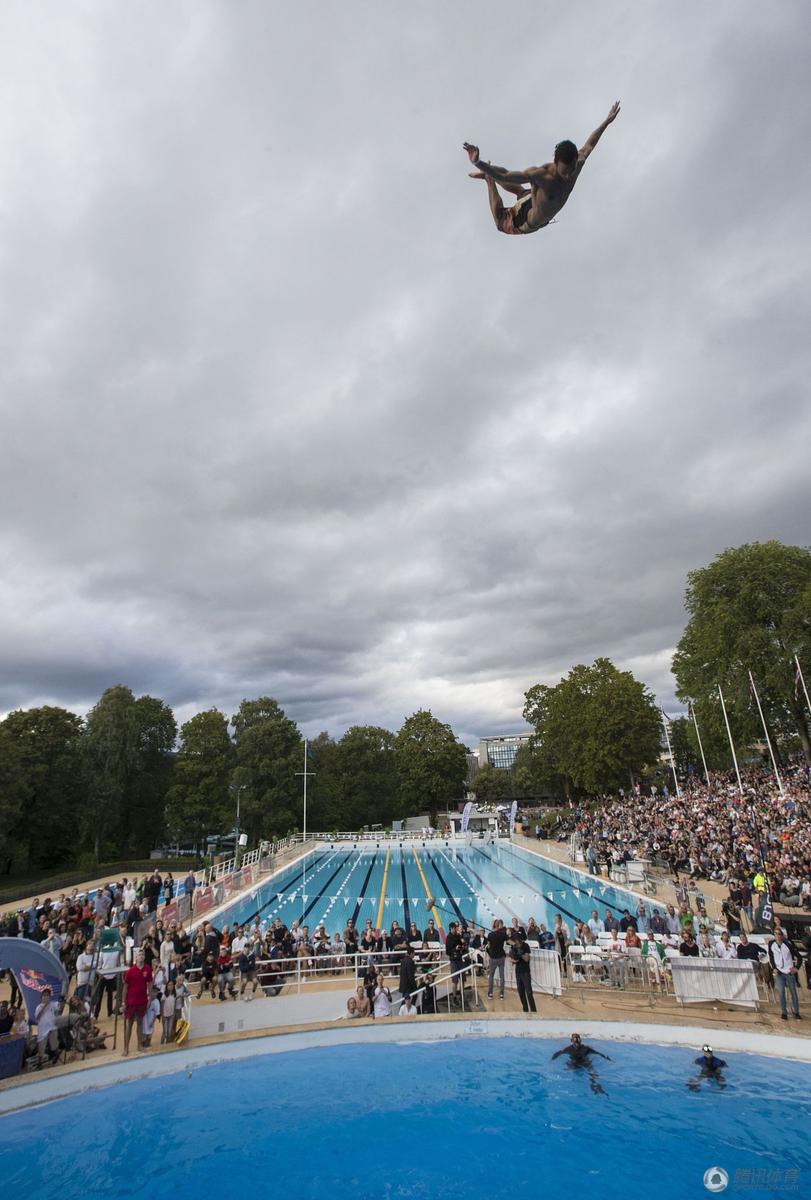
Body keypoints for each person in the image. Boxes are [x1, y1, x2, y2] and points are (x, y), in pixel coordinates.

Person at [463, 101, 620, 236]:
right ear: (555, 162)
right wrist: (478, 163)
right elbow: (505, 175)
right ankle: (489, 178)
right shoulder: (542, 175)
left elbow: (589, 145)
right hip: (528, 220)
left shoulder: (578, 162)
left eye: (572, 169)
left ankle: (495, 177)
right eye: (564, 171)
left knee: (522, 192)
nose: (569, 175)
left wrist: (606, 122)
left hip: (537, 200)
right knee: (499, 221)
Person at [122, 949, 153, 1056]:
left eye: (142, 955)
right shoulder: (130, 971)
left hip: (142, 1000)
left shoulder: (147, 969)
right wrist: (123, 1002)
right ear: (136, 957)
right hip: (131, 1001)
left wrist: (149, 996)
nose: (141, 956)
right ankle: (126, 1048)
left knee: (140, 1023)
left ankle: (139, 1045)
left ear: (144, 957)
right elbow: (125, 987)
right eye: (139, 955)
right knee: (129, 1024)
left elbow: (150, 982)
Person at [769, 929, 801, 1021]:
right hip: (779, 972)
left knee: (793, 993)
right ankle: (784, 1012)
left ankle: (796, 1012)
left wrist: (796, 968)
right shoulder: (771, 945)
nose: (778, 936)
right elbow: (771, 957)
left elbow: (799, 957)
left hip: (789, 971)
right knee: (781, 992)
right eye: (776, 934)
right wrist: (774, 968)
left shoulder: (787, 945)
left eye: (779, 934)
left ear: (782, 936)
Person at [511, 933, 536, 1013]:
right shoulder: (513, 946)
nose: (515, 942)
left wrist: (520, 953)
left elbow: (527, 959)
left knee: (529, 992)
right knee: (521, 992)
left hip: (525, 972)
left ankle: (533, 1010)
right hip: (518, 972)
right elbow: (513, 960)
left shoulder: (526, 946)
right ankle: (525, 1010)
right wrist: (514, 959)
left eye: (515, 940)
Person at [486, 919, 508, 1001]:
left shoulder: (490, 935)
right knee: (502, 977)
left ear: (493, 925)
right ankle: (501, 994)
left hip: (493, 958)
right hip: (501, 957)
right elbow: (508, 940)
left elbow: (488, 946)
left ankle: (490, 993)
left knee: (491, 976)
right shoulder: (502, 934)